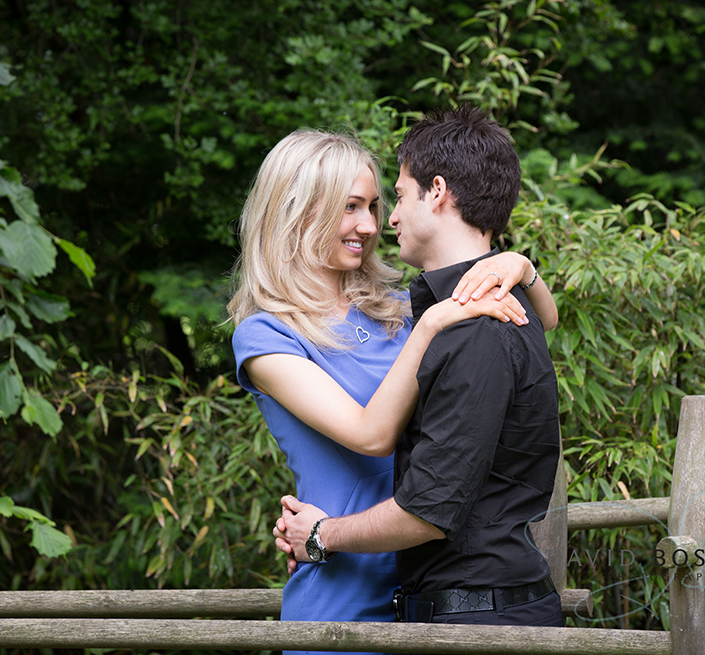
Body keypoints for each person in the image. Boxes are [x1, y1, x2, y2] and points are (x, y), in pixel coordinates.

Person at [228, 128, 556, 654]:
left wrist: (519, 265)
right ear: (296, 212)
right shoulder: (267, 336)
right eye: (350, 207)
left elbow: (541, 320)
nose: (370, 225)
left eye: (376, 206)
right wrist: (429, 328)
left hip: (432, 587)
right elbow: (371, 434)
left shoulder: (397, 308)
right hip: (344, 584)